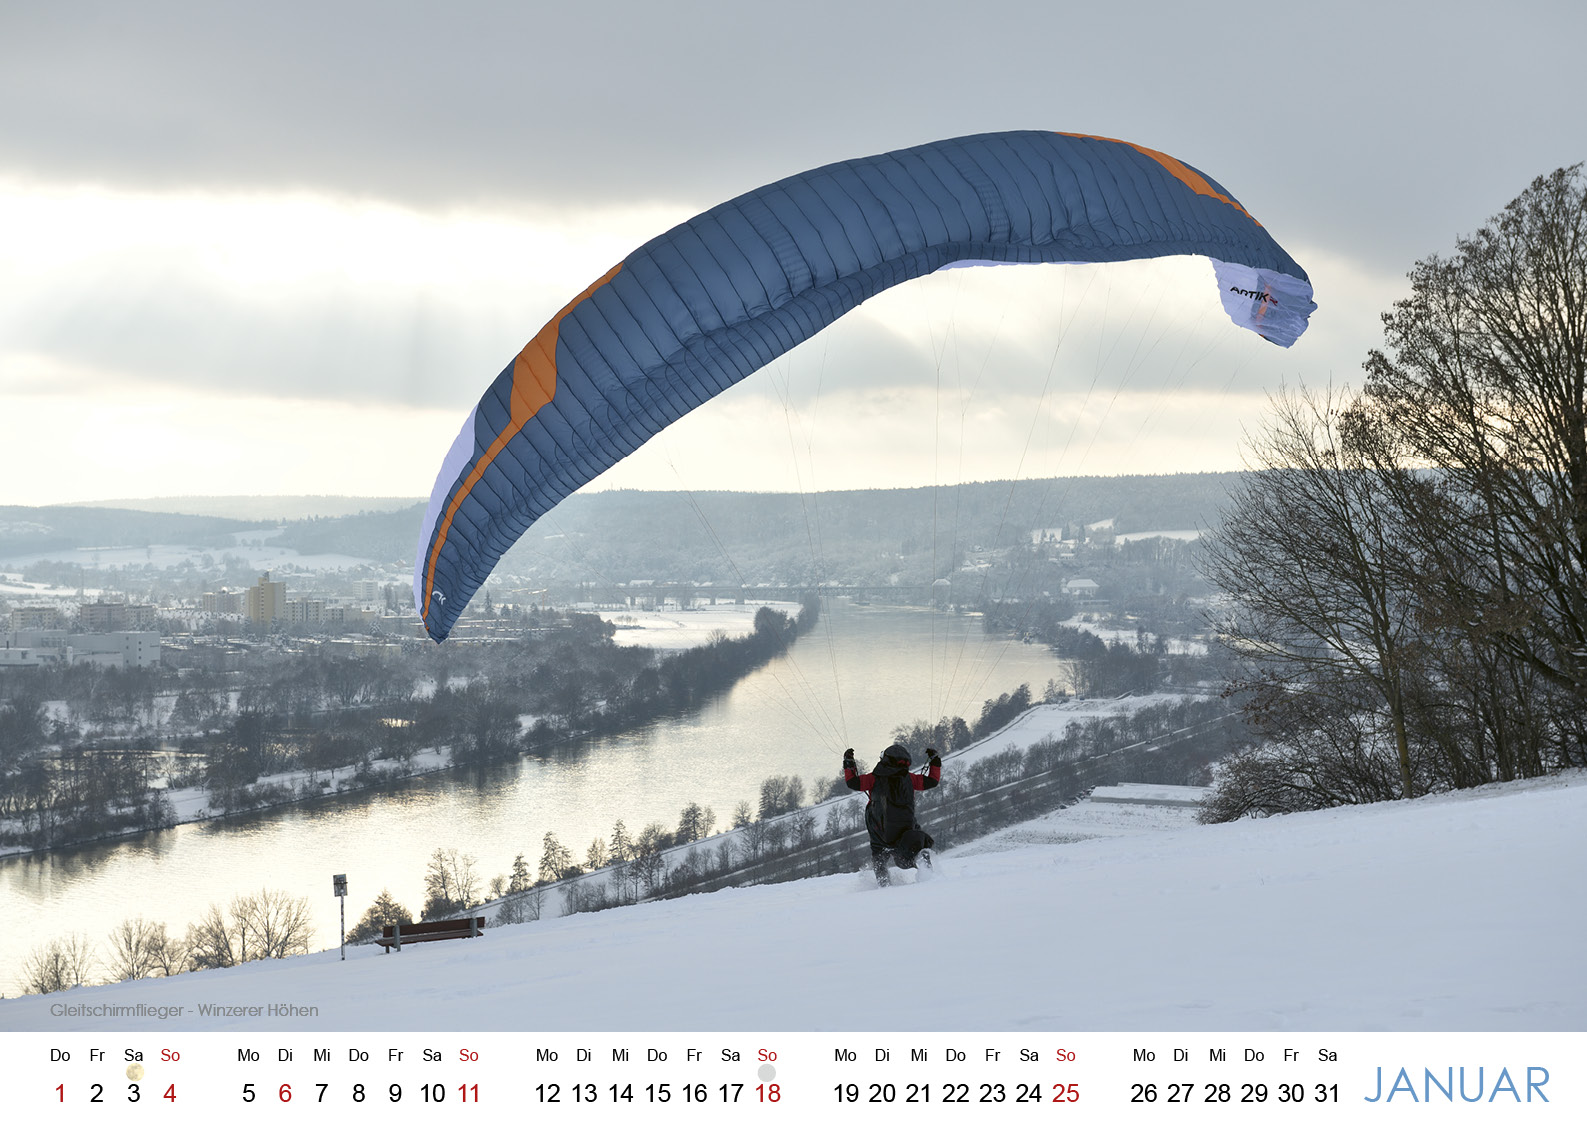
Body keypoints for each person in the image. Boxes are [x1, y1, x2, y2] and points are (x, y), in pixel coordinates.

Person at [844, 743, 941, 885]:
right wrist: (935, 761)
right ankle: (927, 873)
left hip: (881, 834)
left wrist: (849, 763)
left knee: (879, 858)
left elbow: (852, 782)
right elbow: (932, 781)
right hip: (906, 833)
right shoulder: (911, 779)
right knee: (918, 846)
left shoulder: (873, 779)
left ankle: (884, 885)